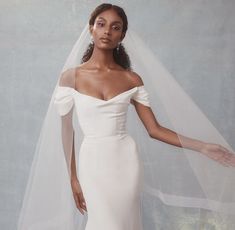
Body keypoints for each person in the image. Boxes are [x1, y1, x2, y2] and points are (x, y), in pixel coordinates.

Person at [17, 3, 235, 230]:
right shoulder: (71, 77)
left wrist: (202, 147)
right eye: (101, 24)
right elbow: (67, 130)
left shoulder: (131, 79)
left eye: (115, 27)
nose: (107, 31)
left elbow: (155, 130)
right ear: (91, 28)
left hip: (125, 162)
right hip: (91, 163)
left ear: (122, 35)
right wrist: (73, 177)